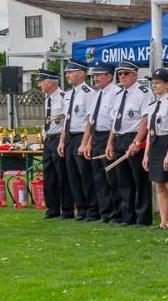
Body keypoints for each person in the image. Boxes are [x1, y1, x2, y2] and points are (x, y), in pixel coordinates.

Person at [111, 61, 153, 226]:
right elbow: (114, 121)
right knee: (123, 180)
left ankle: (142, 217)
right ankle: (127, 216)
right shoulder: (118, 94)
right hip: (119, 137)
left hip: (134, 137)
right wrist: (110, 143)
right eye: (120, 74)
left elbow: (145, 119)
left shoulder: (144, 92)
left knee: (139, 180)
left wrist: (137, 141)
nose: (122, 76)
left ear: (135, 75)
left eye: (126, 73)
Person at [142, 68, 168, 229]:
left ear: (167, 85)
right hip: (155, 144)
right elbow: (149, 133)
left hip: (167, 142)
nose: (154, 86)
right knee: (159, 184)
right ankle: (163, 221)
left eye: (157, 83)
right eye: (152, 83)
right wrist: (146, 154)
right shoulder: (152, 105)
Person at [57, 61, 97, 221]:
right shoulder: (67, 94)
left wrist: (85, 142)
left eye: (70, 72)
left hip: (82, 135)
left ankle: (92, 209)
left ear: (81, 73)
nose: (67, 75)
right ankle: (81, 209)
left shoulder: (89, 93)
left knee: (85, 175)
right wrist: (62, 141)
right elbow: (66, 119)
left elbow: (89, 120)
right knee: (72, 176)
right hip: (70, 137)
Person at [82, 62, 119, 224]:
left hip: (109, 136)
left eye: (99, 75)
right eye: (94, 75)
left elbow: (114, 121)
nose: (95, 78)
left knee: (111, 176)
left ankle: (115, 212)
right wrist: (88, 142)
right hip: (96, 136)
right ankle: (104, 213)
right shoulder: (97, 94)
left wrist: (110, 141)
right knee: (98, 177)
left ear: (109, 76)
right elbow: (91, 120)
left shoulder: (116, 93)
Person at [37, 69, 67, 219]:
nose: (39, 85)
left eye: (41, 81)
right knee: (49, 174)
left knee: (61, 174)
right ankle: (52, 208)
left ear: (49, 82)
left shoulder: (63, 97)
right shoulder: (47, 99)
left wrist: (62, 139)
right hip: (49, 138)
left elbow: (66, 120)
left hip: (59, 137)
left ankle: (66, 208)